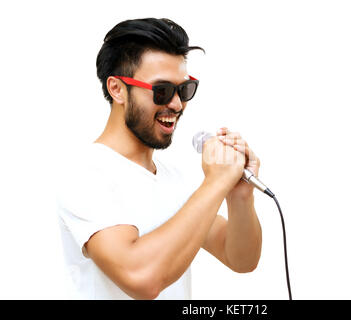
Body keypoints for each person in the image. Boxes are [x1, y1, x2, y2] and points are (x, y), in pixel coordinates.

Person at [57, 17, 262, 300]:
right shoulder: (86, 173)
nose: (177, 104)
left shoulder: (174, 179)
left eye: (184, 89)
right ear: (117, 89)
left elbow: (240, 258)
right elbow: (141, 278)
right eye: (162, 90)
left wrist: (239, 196)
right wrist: (215, 183)